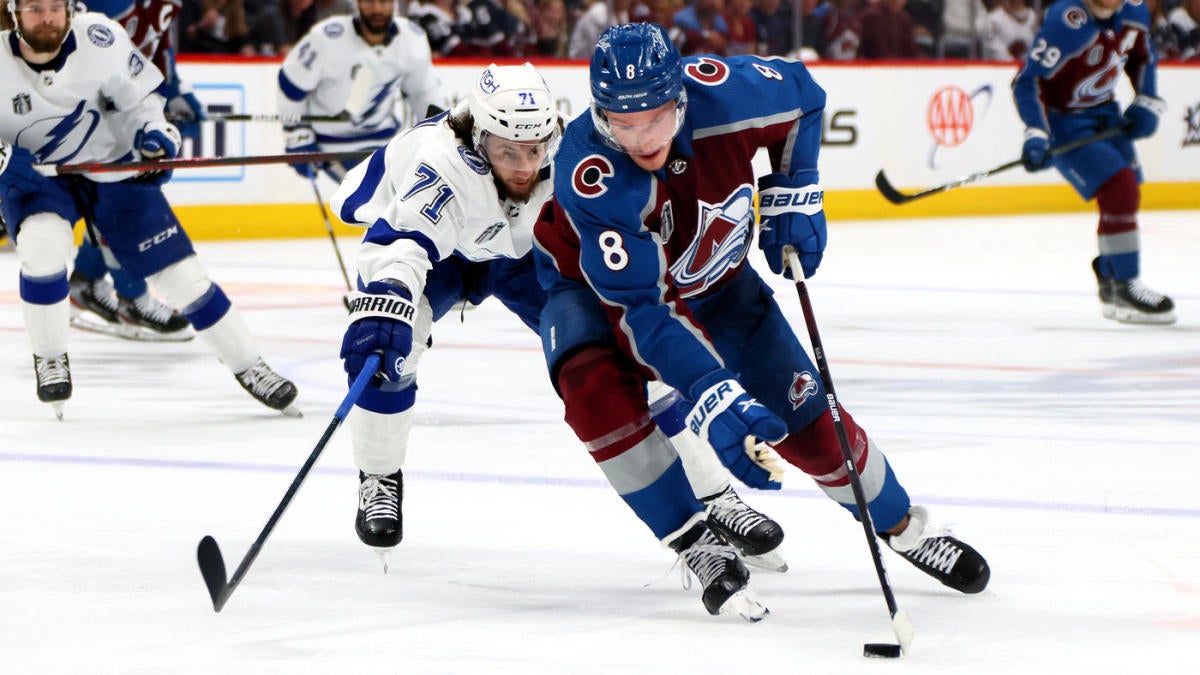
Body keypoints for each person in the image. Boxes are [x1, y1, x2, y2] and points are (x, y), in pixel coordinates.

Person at [535, 22, 992, 608]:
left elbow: (804, 94)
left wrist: (795, 186)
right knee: (594, 394)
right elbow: (642, 312)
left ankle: (904, 527)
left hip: (719, 284)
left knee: (812, 428)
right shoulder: (591, 175)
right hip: (598, 297)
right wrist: (709, 391)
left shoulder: (727, 95)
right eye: (621, 123)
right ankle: (693, 538)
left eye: (655, 118)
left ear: (681, 97)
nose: (641, 138)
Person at [331, 63, 788, 619]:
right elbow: (401, 244)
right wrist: (384, 305)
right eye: (507, 152)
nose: (525, 167)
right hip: (443, 252)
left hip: (525, 253)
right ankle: (379, 475)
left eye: (535, 149)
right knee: (389, 354)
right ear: (477, 139)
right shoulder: (440, 166)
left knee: (624, 353)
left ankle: (716, 494)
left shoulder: (570, 157)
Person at [0, 0, 299, 418]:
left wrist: (155, 133)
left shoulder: (99, 36)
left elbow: (141, 102)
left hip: (112, 166)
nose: (46, 17)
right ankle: (50, 356)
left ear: (69, 8)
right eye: (34, 8)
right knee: (42, 245)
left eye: (54, 7)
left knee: (184, 279)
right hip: (35, 175)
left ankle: (251, 365)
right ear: (14, 12)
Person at [1014, 0, 1176, 324]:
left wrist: (1147, 99)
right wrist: (1036, 132)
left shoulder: (1135, 13)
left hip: (1106, 115)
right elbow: (1027, 81)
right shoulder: (1067, 20)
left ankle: (1111, 277)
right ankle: (1125, 285)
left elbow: (1144, 58)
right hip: (1065, 125)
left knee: (1123, 196)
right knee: (1120, 186)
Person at [67, 0, 206, 342]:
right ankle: (132, 298)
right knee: (121, 199)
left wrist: (173, 92)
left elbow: (157, 49)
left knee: (120, 198)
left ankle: (85, 282)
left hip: (124, 107)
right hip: (81, 114)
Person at [278, 0, 446, 184]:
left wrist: (440, 136)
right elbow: (291, 88)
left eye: (383, 2)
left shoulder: (411, 39)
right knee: (375, 201)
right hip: (334, 145)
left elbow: (424, 94)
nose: (376, 9)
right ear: (356, 4)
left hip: (386, 143)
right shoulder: (326, 38)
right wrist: (297, 136)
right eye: (368, 2)